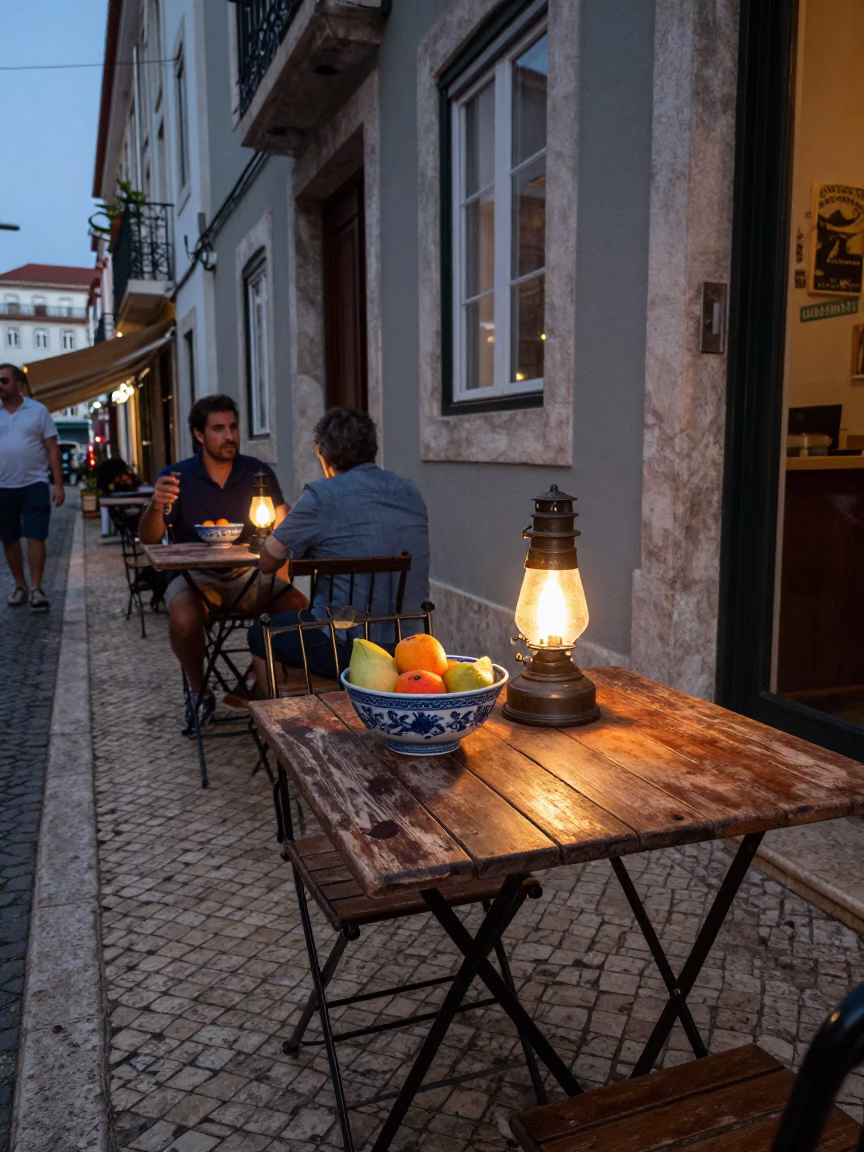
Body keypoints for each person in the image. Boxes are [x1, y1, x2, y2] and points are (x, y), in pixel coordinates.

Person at [138, 394, 306, 726]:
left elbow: (281, 527)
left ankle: (256, 685)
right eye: (218, 429)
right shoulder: (176, 476)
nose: (229, 436)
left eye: (233, 427)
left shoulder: (257, 472)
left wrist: (280, 577)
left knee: (299, 610)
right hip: (194, 577)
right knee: (183, 619)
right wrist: (156, 506)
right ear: (199, 434)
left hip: (250, 574)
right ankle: (199, 692)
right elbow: (150, 538)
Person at [245, 407, 430, 697]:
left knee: (260, 633)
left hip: (345, 646)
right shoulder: (409, 491)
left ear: (322, 454)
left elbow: (267, 563)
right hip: (410, 645)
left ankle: (282, 726)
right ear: (372, 448)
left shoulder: (320, 497)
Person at [0, 363, 65, 611]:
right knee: (9, 538)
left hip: (34, 483)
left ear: (19, 384)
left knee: (36, 535)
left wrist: (58, 484)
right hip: (3, 486)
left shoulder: (38, 411)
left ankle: (36, 588)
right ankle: (20, 586)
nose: (0, 386)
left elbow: (52, 449)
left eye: (4, 381)